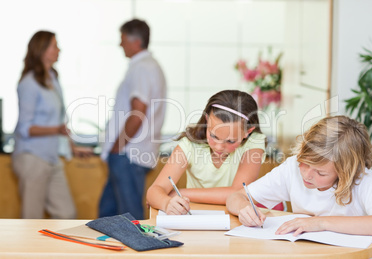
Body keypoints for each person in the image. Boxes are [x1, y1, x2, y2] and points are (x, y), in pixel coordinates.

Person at [226, 115, 372, 238]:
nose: (307, 175)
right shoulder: (292, 168)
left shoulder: (361, 179)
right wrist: (243, 208)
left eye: (321, 172)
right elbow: (236, 196)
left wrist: (321, 223)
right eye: (305, 162)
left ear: (344, 173)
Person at [147, 90, 267, 215]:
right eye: (213, 136)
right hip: (194, 218)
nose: (219, 147)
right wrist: (166, 203)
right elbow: (153, 192)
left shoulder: (254, 142)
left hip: (235, 221)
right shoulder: (189, 145)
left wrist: (180, 193)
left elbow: (237, 193)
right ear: (207, 120)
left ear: (248, 131)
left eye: (231, 141)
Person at [12, 31, 91, 219]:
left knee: (67, 214)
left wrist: (72, 147)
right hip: (32, 158)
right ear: (41, 50)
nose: (59, 50)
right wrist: (56, 130)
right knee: (32, 218)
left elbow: (59, 122)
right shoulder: (29, 83)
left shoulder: (53, 78)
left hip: (52, 157)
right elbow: (25, 128)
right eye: (54, 46)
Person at [99, 18, 167, 220]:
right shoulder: (149, 66)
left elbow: (138, 112)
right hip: (132, 153)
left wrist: (117, 146)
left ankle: (136, 251)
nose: (120, 45)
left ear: (136, 41)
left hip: (128, 154)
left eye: (123, 40)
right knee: (108, 214)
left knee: (128, 218)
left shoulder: (142, 68)